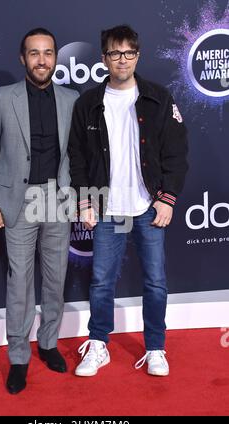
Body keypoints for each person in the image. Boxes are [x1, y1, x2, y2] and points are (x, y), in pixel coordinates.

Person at [68, 25, 188, 377]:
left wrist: (167, 199)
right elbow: (76, 156)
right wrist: (85, 201)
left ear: (138, 55)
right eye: (115, 53)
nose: (123, 60)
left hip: (148, 206)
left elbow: (177, 153)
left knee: (155, 281)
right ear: (103, 58)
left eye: (129, 53)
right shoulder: (88, 103)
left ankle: (155, 348)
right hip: (107, 208)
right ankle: (99, 344)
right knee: (102, 281)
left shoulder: (158, 98)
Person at [0, 28, 79, 394]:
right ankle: (18, 358)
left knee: (55, 279)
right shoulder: (3, 98)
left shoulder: (70, 98)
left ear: (55, 57)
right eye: (34, 53)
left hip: (57, 200)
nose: (42, 60)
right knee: (20, 283)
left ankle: (48, 344)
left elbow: (75, 155)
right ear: (23, 59)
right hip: (17, 202)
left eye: (48, 53)